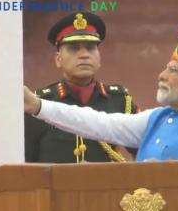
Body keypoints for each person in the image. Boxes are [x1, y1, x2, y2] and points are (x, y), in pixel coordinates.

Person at [24, 26, 178, 211]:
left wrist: (166, 177)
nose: (161, 75)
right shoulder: (157, 118)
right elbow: (99, 122)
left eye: (173, 70)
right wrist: (38, 106)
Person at [25, 11, 139, 163]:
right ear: (58, 59)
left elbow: (145, 150)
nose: (84, 55)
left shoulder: (121, 101)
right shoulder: (40, 104)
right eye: (73, 48)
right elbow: (24, 165)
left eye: (91, 48)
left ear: (99, 57)